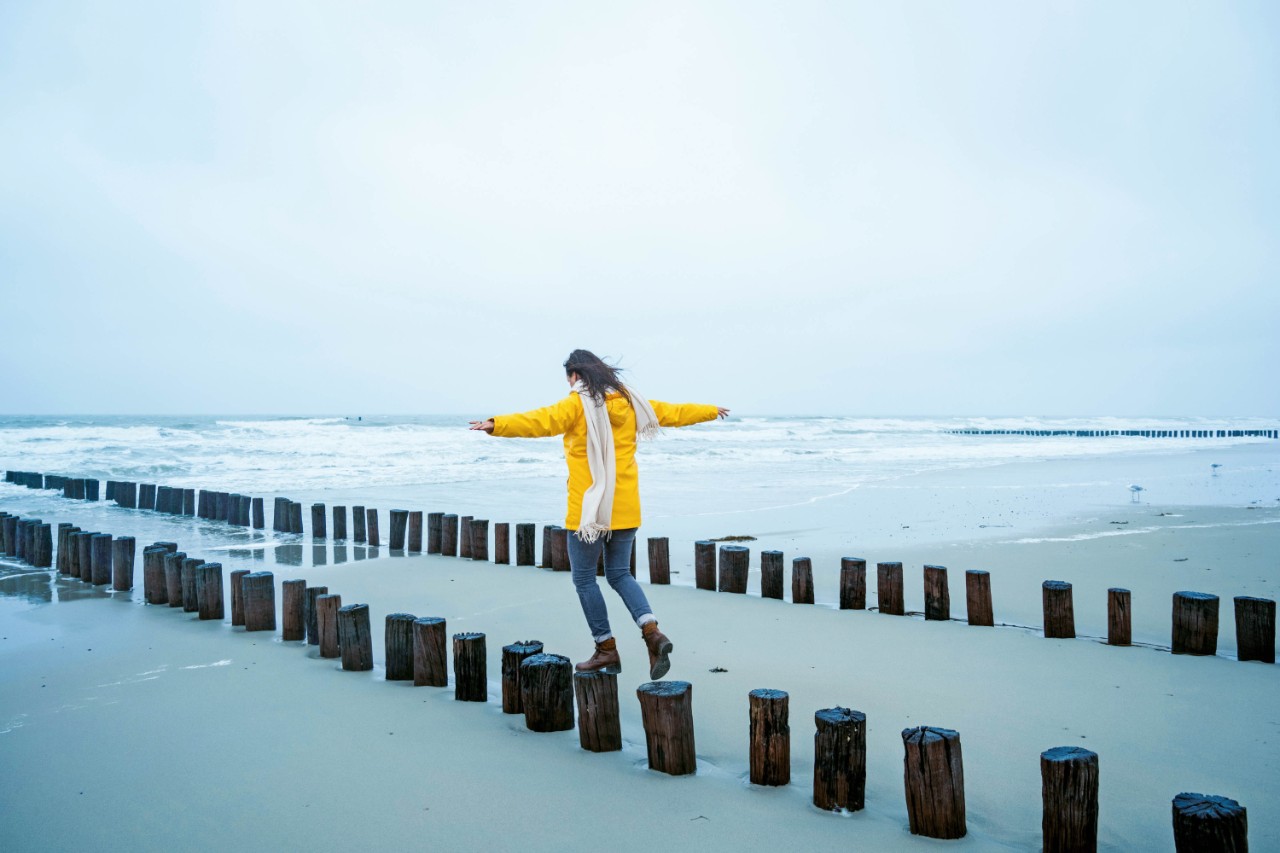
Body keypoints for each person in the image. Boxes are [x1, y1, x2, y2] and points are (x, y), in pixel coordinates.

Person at [469, 349, 729, 679]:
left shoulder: (576, 404)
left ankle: (605, 648)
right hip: (626, 507)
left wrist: (497, 424)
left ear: (576, 375)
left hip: (589, 511)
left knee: (584, 579)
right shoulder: (631, 401)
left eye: (568, 378)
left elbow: (540, 421)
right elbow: (673, 412)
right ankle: (652, 632)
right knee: (620, 574)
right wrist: (709, 411)